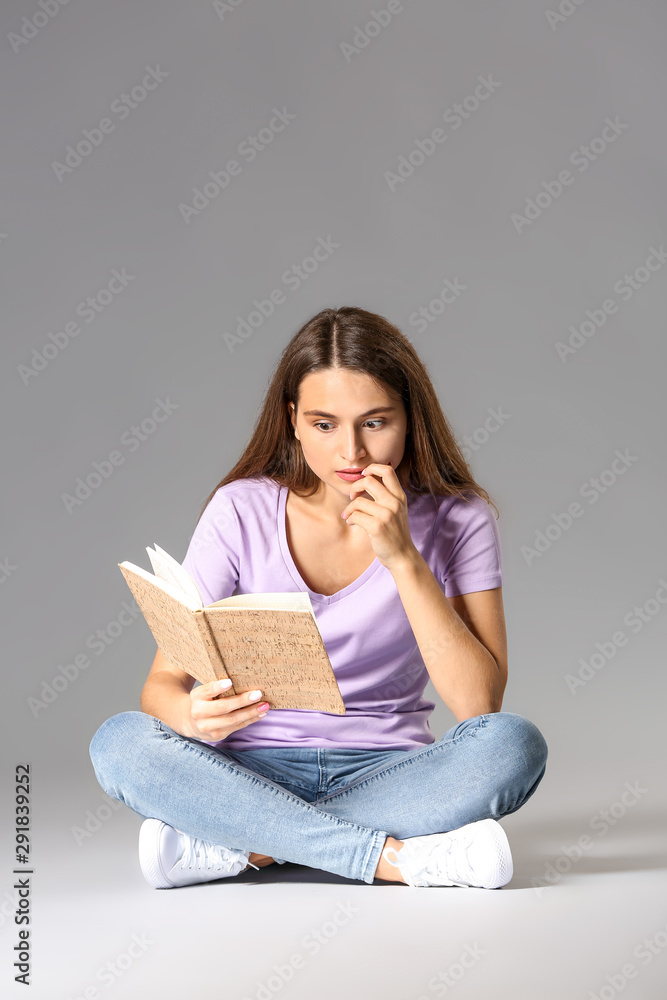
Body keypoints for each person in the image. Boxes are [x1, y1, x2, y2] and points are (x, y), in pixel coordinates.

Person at [89, 305, 548, 890]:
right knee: (119, 742)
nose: (351, 453)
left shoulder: (461, 518)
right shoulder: (240, 509)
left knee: (513, 746)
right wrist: (190, 716)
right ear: (294, 422)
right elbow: (160, 688)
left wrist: (403, 558)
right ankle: (394, 859)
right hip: (248, 770)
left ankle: (247, 848)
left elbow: (481, 707)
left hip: (391, 770)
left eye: (375, 422)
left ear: (410, 419)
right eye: (325, 424)